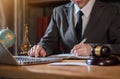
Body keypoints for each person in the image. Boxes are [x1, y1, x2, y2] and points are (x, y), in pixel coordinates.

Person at [28, 0, 120, 57]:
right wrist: (42, 48)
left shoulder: (111, 11)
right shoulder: (58, 12)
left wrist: (92, 49)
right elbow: (48, 41)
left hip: (99, 71)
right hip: (67, 71)